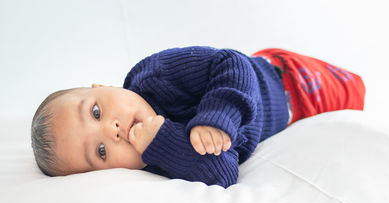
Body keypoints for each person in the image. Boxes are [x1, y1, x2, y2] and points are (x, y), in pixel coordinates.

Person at [31, 46, 365, 188]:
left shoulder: (154, 75)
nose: (113, 130)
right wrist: (163, 144)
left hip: (290, 81)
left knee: (357, 92)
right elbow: (223, 173)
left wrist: (216, 117)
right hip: (295, 118)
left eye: (96, 112)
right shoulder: (156, 161)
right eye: (101, 152)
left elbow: (232, 63)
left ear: (102, 85)